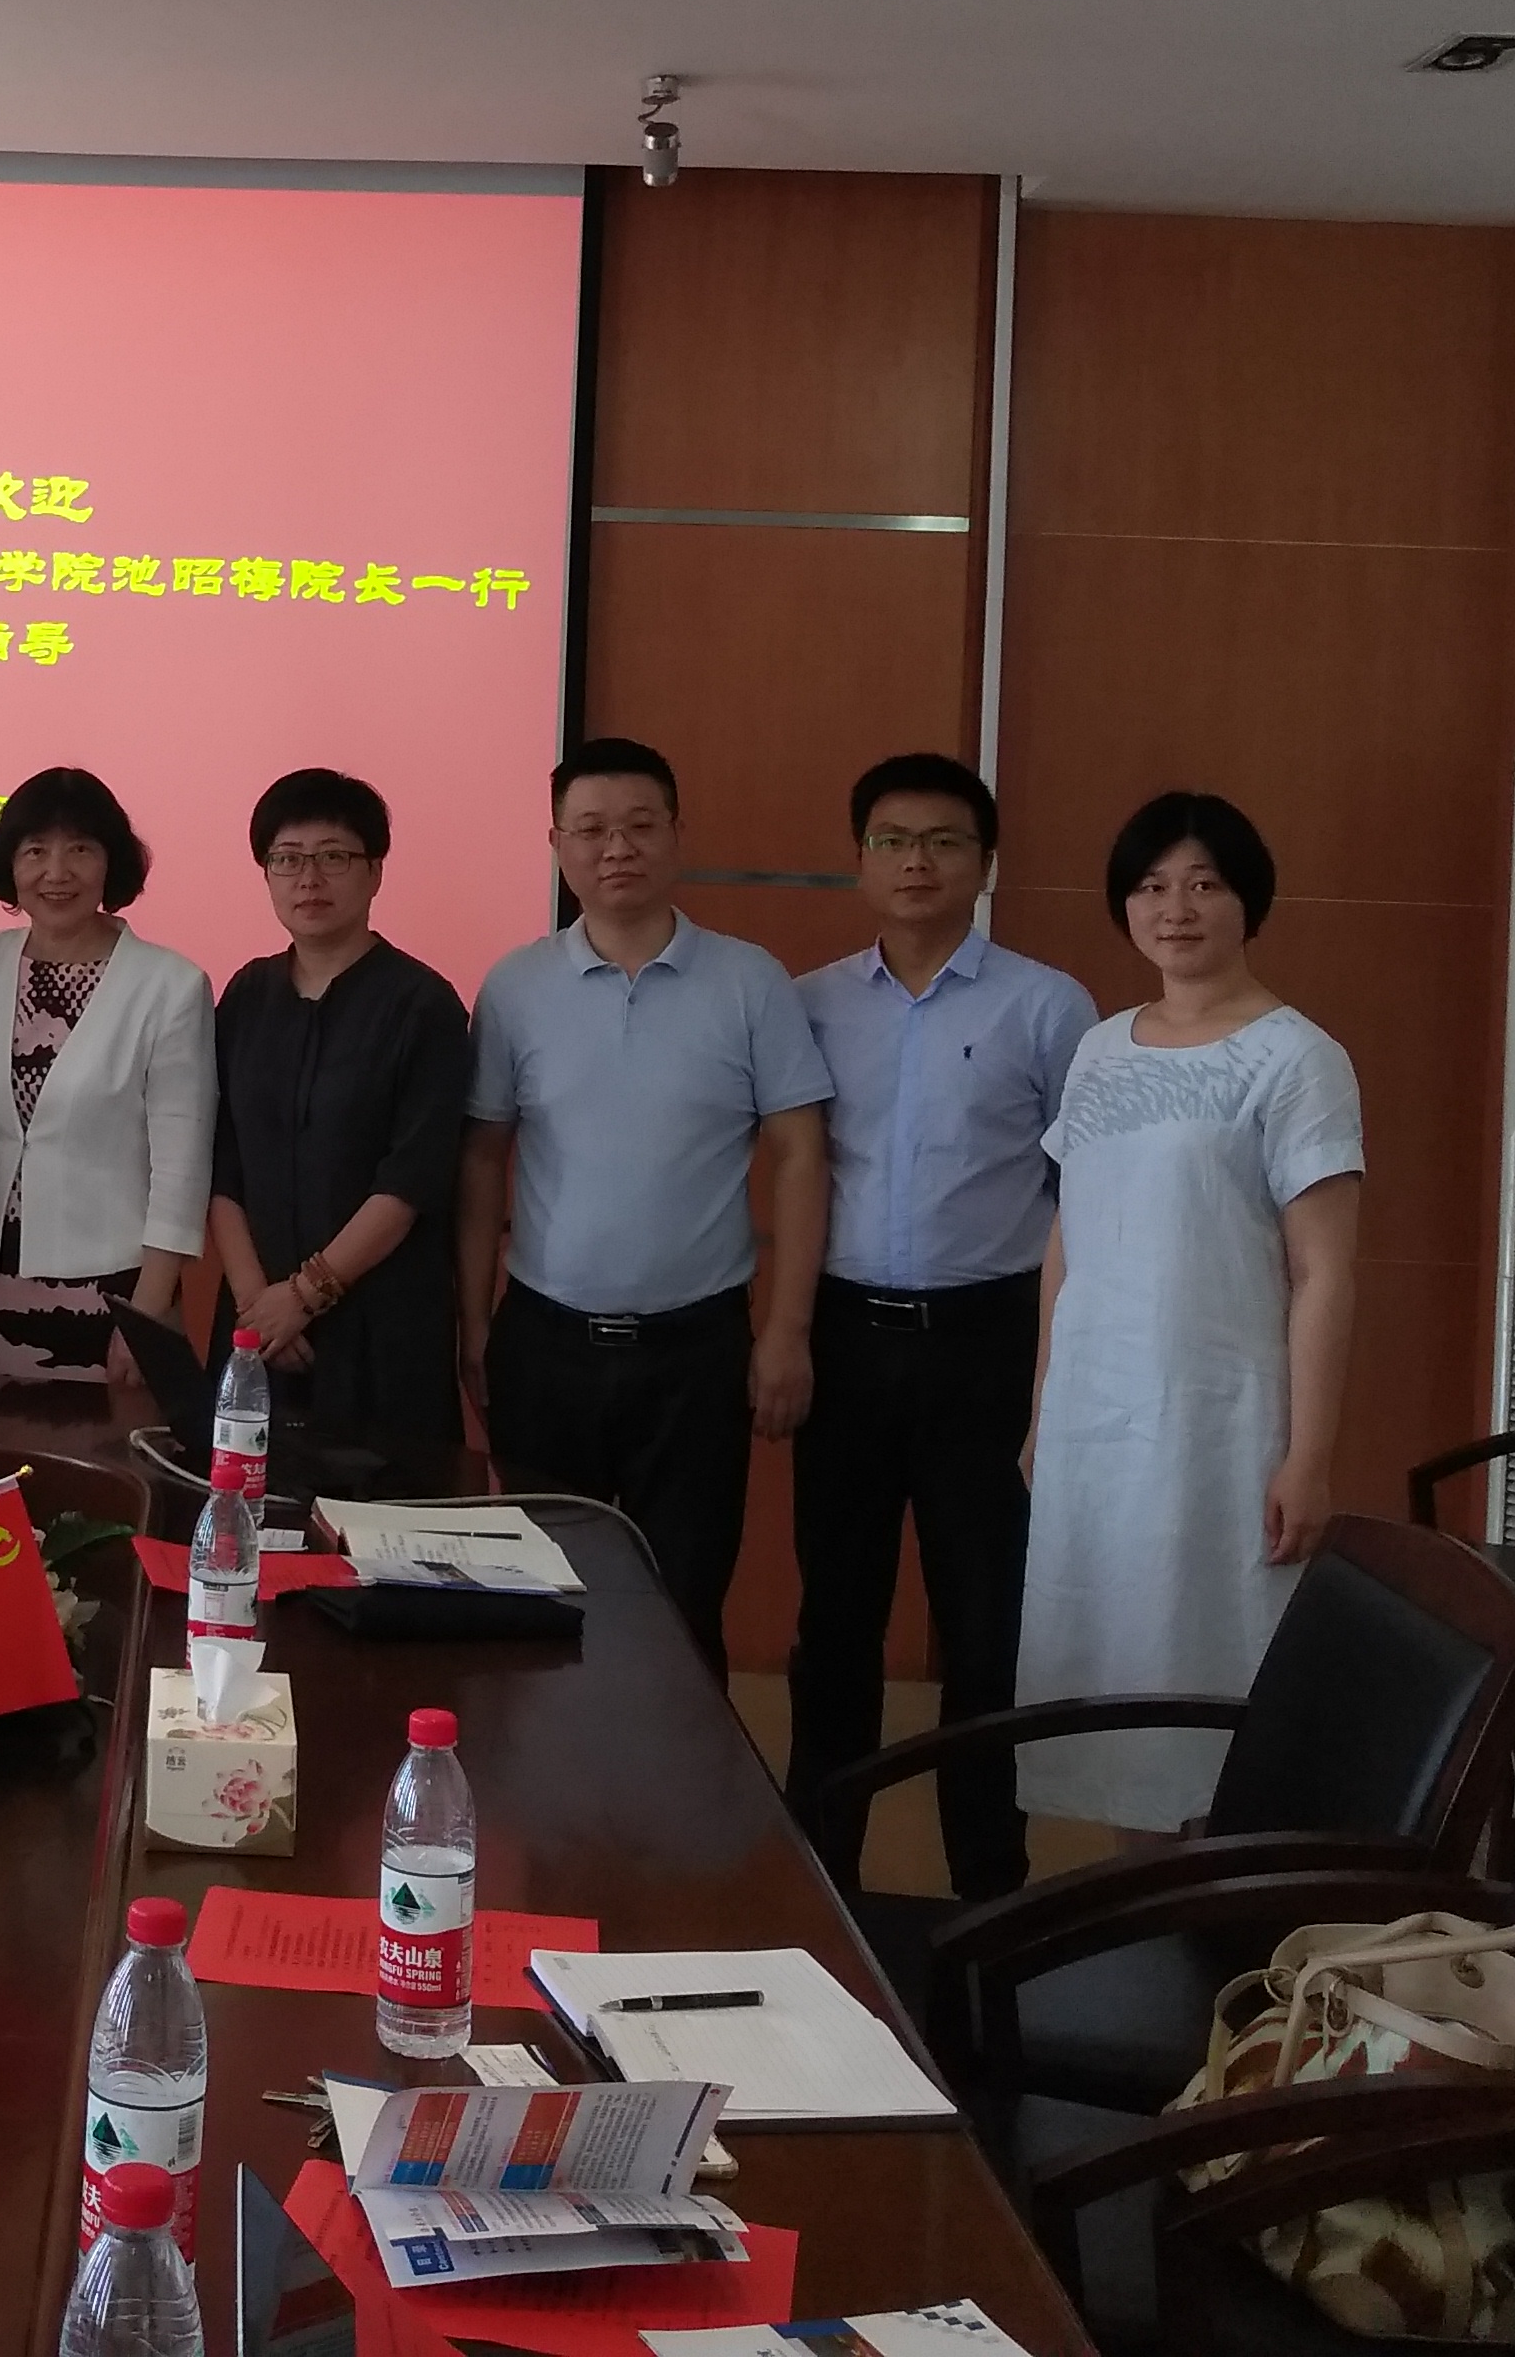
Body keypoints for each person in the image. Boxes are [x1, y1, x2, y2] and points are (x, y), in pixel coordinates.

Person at [1017, 790, 1366, 1836]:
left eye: (1204, 884)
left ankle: (1219, 1913)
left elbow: (1325, 1272)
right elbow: (1068, 1239)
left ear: (1248, 901)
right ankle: (1140, 1895)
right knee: (1117, 1676)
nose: (1175, 908)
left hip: (1216, 1420)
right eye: (1151, 886)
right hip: (1095, 1416)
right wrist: (1041, 1408)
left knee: (1212, 1676)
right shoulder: (1100, 1047)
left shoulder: (1296, 1057)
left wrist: (1308, 1457)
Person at [786, 753, 1095, 1899]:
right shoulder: (809, 1003)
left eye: (942, 841)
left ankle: (986, 1894)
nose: (914, 862)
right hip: (844, 1341)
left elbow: (1082, 1192)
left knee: (984, 1628)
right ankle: (819, 1882)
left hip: (987, 1342)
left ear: (984, 861)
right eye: (890, 840)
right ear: (857, 858)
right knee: (836, 1622)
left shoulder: (1046, 1005)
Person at [457, 737, 830, 1675]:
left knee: (686, 1609)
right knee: (540, 1610)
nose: (616, 848)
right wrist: (474, 1323)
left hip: (696, 1353)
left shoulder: (749, 981)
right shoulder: (516, 986)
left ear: (676, 834)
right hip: (545, 1344)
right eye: (590, 830)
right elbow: (482, 1162)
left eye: (638, 825)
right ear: (557, 846)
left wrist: (786, 1332)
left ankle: (681, 1775)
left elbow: (799, 1155)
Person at [206, 767, 473, 1453]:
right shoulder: (247, 995)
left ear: (375, 871)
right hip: (257, 1327)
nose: (309, 879)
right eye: (287, 860)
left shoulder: (423, 1004)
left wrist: (303, 1297)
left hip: (379, 1327)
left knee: (383, 1510)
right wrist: (258, 1304)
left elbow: (410, 1179)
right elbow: (222, 1159)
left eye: (333, 857)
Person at [0, 766, 215, 1399]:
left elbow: (182, 1165)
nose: (56, 872)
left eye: (80, 850)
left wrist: (147, 1314)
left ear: (111, 863)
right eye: (35, 851)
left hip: (112, 1293)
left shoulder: (171, 985)